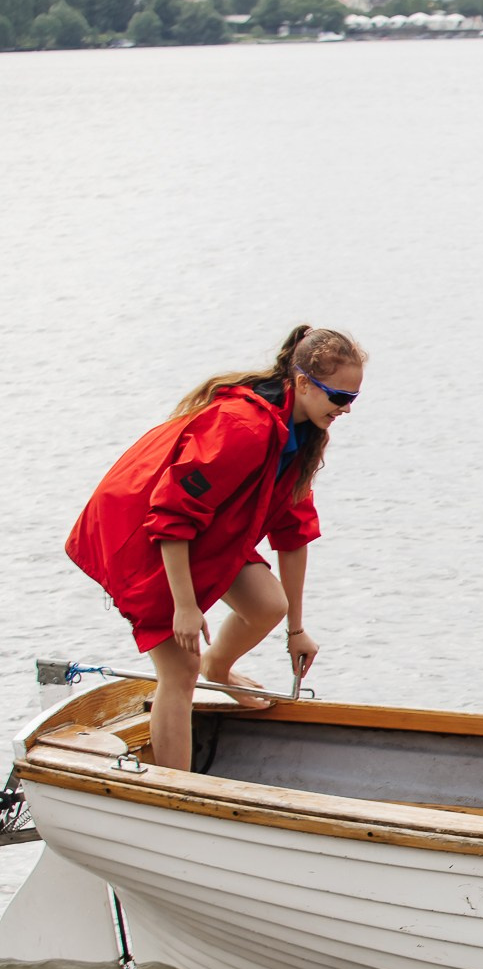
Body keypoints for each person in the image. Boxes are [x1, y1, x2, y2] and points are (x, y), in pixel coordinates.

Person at [65, 325, 364, 773]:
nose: (345, 410)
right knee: (179, 673)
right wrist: (185, 607)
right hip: (140, 534)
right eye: (338, 398)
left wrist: (296, 630)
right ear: (302, 383)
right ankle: (176, 792)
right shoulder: (242, 427)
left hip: (206, 531)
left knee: (267, 604)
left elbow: (294, 534)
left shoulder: (301, 436)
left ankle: (218, 670)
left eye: (353, 400)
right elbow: (170, 514)